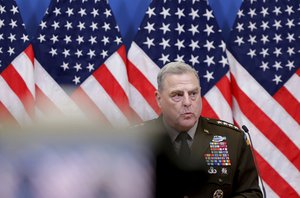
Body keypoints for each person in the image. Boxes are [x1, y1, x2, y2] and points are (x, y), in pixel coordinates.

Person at [141, 62, 263, 198]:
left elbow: (251, 194)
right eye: (177, 95)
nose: (187, 102)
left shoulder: (231, 139)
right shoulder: (135, 142)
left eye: (193, 93)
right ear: (159, 99)